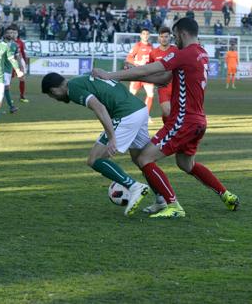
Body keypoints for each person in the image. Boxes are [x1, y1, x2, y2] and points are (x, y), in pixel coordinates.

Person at [93, 17, 240, 218]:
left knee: (144, 158)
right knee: (186, 164)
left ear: (183, 34)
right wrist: (134, 75)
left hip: (183, 120)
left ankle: (172, 205)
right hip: (198, 121)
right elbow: (163, 80)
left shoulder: (184, 54)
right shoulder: (201, 54)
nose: (173, 39)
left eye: (175, 35)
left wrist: (110, 75)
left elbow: (148, 69)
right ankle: (226, 194)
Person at [41, 72, 155, 217]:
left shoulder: (73, 88)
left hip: (126, 114)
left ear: (54, 90)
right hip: (139, 108)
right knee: (142, 160)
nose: (55, 99)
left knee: (94, 159)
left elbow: (99, 108)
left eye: (52, 96)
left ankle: (134, 187)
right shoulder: (81, 80)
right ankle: (162, 199)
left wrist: (112, 137)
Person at [148, 26, 178, 125]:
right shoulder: (153, 53)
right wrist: (155, 81)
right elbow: (150, 69)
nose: (164, 39)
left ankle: (169, 130)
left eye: (166, 36)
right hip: (163, 88)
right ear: (158, 38)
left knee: (176, 114)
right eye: (162, 36)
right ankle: (167, 127)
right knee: (166, 111)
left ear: (170, 37)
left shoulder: (176, 50)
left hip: (177, 87)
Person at [125, 28, 154, 120]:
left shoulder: (151, 47)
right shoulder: (137, 46)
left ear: (149, 36)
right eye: (144, 34)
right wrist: (137, 63)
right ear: (141, 35)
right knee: (131, 95)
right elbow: (129, 58)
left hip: (148, 75)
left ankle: (145, 115)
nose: (145, 35)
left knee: (150, 94)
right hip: (137, 74)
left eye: (147, 34)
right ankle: (128, 114)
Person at [1, 25, 25, 113]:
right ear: (4, 34)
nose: (10, 34)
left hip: (9, 70)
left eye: (11, 33)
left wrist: (21, 67)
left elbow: (18, 57)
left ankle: (10, 107)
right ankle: (10, 107)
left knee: (6, 88)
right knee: (3, 88)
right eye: (8, 33)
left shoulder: (15, 45)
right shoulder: (0, 44)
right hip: (0, 70)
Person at [11, 25, 29, 103]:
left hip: (19, 63)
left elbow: (23, 53)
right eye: (13, 33)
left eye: (16, 32)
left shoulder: (21, 43)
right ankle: (7, 96)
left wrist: (24, 62)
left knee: (22, 79)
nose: (14, 34)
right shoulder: (9, 42)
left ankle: (22, 96)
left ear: (18, 33)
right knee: (8, 81)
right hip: (11, 63)